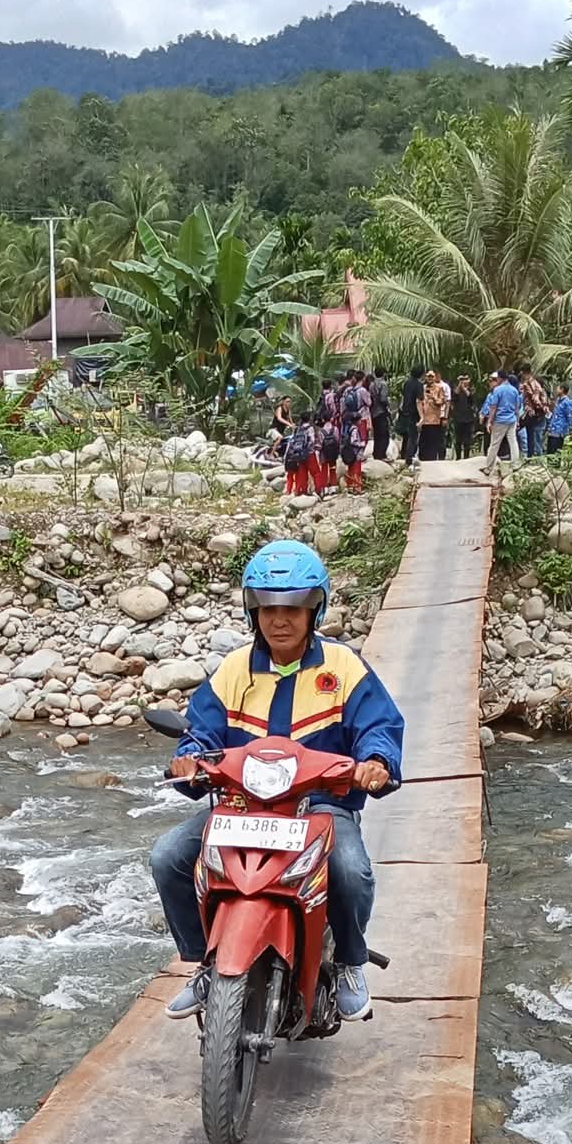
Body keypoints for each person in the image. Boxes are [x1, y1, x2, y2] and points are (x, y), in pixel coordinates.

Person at [150, 539, 404, 1024]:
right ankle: (204, 961)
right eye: (267, 608)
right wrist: (187, 760)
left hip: (319, 806)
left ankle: (350, 961)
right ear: (253, 611)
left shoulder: (343, 667)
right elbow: (201, 730)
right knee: (167, 857)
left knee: (351, 870)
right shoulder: (233, 669)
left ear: (314, 610)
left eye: (293, 608)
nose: (279, 620)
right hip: (240, 808)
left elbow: (379, 725)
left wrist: (375, 761)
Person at [481, 371, 525, 474]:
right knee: (513, 442)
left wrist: (489, 421)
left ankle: (489, 468)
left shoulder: (498, 390)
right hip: (512, 420)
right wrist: (518, 420)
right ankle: (515, 464)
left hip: (500, 420)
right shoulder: (514, 390)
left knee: (494, 444)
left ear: (500, 378)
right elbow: (517, 408)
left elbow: (493, 407)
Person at [416, 370, 450, 462]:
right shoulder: (422, 388)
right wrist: (421, 416)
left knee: (433, 441)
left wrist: (434, 398)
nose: (430, 378)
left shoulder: (439, 388)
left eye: (432, 377)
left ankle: (432, 460)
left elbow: (442, 402)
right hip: (424, 419)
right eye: (428, 376)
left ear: (435, 377)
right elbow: (419, 402)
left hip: (434, 419)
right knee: (423, 442)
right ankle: (423, 459)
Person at [281, 414, 316, 496]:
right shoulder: (309, 429)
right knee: (298, 475)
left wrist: (284, 460)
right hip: (303, 454)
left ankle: (290, 491)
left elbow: (286, 452)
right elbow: (312, 441)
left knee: (290, 476)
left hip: (291, 458)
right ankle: (297, 489)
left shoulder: (291, 439)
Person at [520, 368, 550, 458]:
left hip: (537, 416)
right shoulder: (539, 392)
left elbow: (537, 402)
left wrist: (535, 407)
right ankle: (532, 455)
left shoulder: (537, 391)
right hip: (537, 416)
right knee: (533, 436)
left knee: (536, 436)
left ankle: (537, 456)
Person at [397, 366, 422, 465]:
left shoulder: (406, 383)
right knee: (413, 436)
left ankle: (404, 454)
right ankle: (409, 457)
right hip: (414, 412)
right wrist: (422, 416)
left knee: (406, 435)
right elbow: (419, 401)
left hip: (405, 412)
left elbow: (403, 397)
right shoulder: (419, 385)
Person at [450, 373, 476, 460]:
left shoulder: (471, 389)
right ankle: (458, 457)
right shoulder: (456, 390)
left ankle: (466, 457)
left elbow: (471, 398)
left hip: (468, 418)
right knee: (458, 439)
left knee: (467, 440)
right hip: (458, 418)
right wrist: (459, 386)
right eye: (462, 379)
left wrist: (464, 388)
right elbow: (454, 398)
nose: (464, 381)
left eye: (466, 379)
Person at [545, 383, 572, 456]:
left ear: (562, 390)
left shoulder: (567, 402)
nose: (556, 390)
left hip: (559, 430)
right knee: (550, 450)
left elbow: (569, 416)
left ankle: (555, 466)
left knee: (556, 450)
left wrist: (571, 429)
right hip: (552, 428)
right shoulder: (558, 401)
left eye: (558, 388)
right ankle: (550, 466)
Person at [370, 368, 391, 463]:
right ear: (383, 374)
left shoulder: (372, 385)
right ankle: (382, 454)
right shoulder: (383, 384)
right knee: (384, 434)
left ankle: (376, 453)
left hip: (373, 412)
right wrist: (387, 405)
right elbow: (383, 399)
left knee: (377, 434)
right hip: (381, 411)